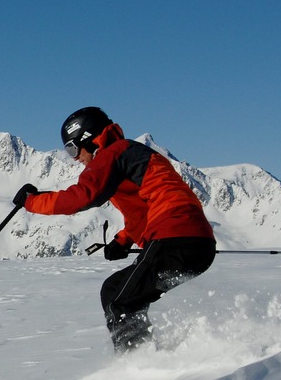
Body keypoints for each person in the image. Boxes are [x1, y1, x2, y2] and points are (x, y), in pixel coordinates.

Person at [12, 107, 216, 352]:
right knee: (114, 290)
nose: (75, 158)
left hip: (174, 237)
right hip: (193, 242)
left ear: (89, 139)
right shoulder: (132, 154)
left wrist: (31, 202)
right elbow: (144, 209)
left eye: (72, 149)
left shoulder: (114, 153)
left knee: (122, 303)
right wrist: (123, 239)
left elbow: (82, 197)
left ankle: (139, 364)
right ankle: (150, 356)